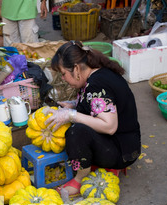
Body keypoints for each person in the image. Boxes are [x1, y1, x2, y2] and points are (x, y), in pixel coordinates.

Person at [45, 40, 141, 196]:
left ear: (76, 69)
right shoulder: (98, 74)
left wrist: (72, 115)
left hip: (120, 152)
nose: (63, 78)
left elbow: (110, 126)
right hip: (126, 145)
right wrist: (73, 106)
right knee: (75, 122)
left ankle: (80, 178)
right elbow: (95, 105)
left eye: (63, 73)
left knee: (76, 132)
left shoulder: (97, 84)